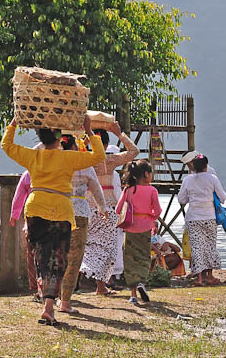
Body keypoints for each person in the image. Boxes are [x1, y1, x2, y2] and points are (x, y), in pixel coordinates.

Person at [2, 115, 105, 326]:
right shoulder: (68, 158)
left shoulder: (33, 156)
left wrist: (14, 123)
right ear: (59, 137)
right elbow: (98, 156)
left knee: (41, 256)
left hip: (35, 209)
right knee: (58, 259)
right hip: (61, 211)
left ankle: (45, 297)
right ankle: (49, 306)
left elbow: (7, 145)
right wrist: (89, 131)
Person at [81, 125, 139, 294]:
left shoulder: (83, 158)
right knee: (110, 249)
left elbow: (75, 150)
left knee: (89, 244)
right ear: (106, 145)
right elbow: (134, 151)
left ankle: (100, 285)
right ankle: (86, 270)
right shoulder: (110, 160)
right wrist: (119, 133)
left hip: (88, 208)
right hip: (108, 208)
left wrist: (86, 138)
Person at [59, 134, 106, 307]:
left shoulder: (55, 162)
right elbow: (96, 188)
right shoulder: (84, 163)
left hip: (58, 210)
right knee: (74, 257)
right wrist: (103, 208)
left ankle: (51, 294)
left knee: (58, 254)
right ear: (75, 146)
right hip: (79, 212)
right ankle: (65, 300)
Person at [178, 154, 226, 285]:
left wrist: (191, 198)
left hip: (193, 217)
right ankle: (209, 276)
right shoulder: (213, 178)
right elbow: (223, 197)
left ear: (193, 167)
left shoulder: (187, 180)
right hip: (209, 217)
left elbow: (181, 199)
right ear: (206, 166)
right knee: (210, 246)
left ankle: (199, 278)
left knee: (197, 247)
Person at [118, 160, 161, 305]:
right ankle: (141, 282)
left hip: (130, 227)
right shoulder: (152, 190)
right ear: (146, 174)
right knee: (144, 256)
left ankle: (133, 295)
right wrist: (150, 217)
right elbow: (158, 211)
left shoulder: (128, 190)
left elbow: (118, 209)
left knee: (130, 258)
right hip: (145, 227)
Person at [10, 169, 40, 299]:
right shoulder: (54, 169)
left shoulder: (28, 174)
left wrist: (14, 215)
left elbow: (19, 195)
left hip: (32, 217)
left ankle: (37, 287)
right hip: (52, 215)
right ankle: (49, 287)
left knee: (32, 253)